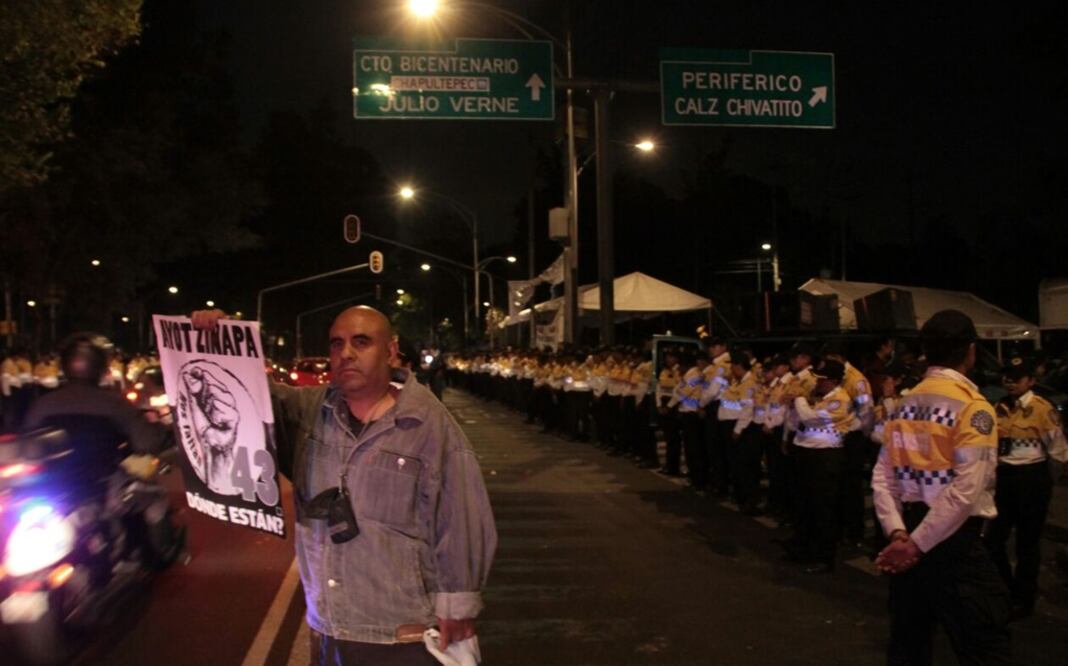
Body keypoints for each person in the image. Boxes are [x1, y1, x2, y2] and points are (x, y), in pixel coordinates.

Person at [193, 306, 496, 664]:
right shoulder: (312, 411)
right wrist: (218, 345)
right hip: (330, 629)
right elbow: (251, 401)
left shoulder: (428, 426)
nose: (346, 353)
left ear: (390, 350)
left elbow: (461, 519)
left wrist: (458, 609)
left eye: (361, 342)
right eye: (337, 344)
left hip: (401, 634)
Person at [871, 309, 1010, 665]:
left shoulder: (904, 404)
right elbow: (966, 490)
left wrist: (899, 533)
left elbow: (883, 477)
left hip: (910, 537)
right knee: (985, 647)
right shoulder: (973, 407)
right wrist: (916, 545)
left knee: (909, 645)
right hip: (954, 546)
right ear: (970, 350)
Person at [21, 332, 178, 557]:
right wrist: (161, 432)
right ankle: (164, 551)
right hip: (103, 487)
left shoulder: (42, 405)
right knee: (156, 496)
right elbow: (148, 442)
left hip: (52, 492)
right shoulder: (113, 403)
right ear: (101, 368)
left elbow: (27, 442)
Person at [984, 356, 1068, 619]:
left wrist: (1047, 481)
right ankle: (1007, 589)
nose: (1009, 381)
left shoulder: (1043, 410)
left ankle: (1023, 598)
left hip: (1033, 478)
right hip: (1005, 477)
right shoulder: (998, 407)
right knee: (993, 540)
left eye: (1017, 377)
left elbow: (1059, 452)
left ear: (1031, 381)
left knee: (1027, 544)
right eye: (1007, 376)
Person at [787, 359, 854, 574]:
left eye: (821, 379)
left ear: (834, 381)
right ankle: (803, 548)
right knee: (805, 504)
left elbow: (810, 419)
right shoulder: (819, 397)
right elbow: (798, 420)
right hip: (807, 454)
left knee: (822, 508)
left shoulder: (840, 400)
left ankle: (824, 557)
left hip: (825, 458)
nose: (817, 382)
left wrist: (798, 398)